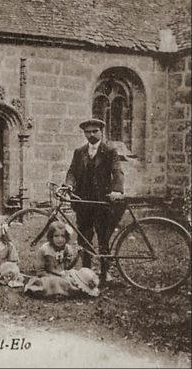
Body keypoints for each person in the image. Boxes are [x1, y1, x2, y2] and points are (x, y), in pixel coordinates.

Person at [65, 117, 125, 282]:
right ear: (84, 133)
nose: (91, 135)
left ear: (101, 131)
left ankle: (105, 272)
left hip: (102, 201)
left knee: (103, 237)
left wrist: (116, 190)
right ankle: (86, 271)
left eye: (94, 131)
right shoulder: (79, 152)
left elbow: (117, 171)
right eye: (87, 132)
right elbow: (72, 171)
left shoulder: (110, 151)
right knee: (84, 236)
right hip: (83, 200)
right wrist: (69, 185)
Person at [24, 221, 100, 298]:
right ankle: (68, 291)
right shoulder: (44, 250)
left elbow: (67, 267)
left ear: (66, 237)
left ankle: (76, 289)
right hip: (48, 276)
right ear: (51, 237)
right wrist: (57, 276)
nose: (60, 239)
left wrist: (77, 257)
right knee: (53, 282)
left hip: (63, 275)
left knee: (78, 277)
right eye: (56, 236)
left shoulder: (67, 248)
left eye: (62, 236)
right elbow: (40, 272)